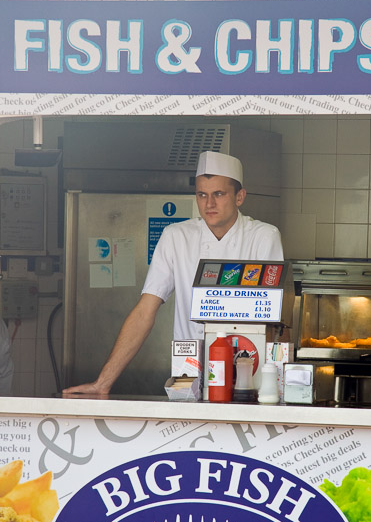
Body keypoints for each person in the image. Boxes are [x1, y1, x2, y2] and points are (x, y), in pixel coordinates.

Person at [63, 151, 283, 395]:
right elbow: (144, 312)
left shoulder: (263, 236)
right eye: (202, 195)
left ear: (239, 197)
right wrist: (102, 383)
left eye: (219, 194)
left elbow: (271, 319)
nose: (209, 204)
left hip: (246, 370)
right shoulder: (176, 236)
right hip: (188, 371)